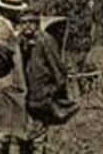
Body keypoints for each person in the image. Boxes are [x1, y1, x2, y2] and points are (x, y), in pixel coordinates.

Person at [20, 9, 77, 152]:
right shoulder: (22, 42)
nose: (27, 26)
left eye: (31, 22)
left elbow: (59, 71)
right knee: (25, 138)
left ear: (37, 23)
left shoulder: (46, 41)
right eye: (24, 22)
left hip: (41, 98)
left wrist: (50, 91)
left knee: (37, 138)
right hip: (25, 98)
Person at [0, 0, 30, 154]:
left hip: (3, 86)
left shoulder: (4, 26)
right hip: (6, 87)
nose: (19, 13)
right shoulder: (3, 28)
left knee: (3, 132)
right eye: (16, 11)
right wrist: (5, 61)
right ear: (8, 12)